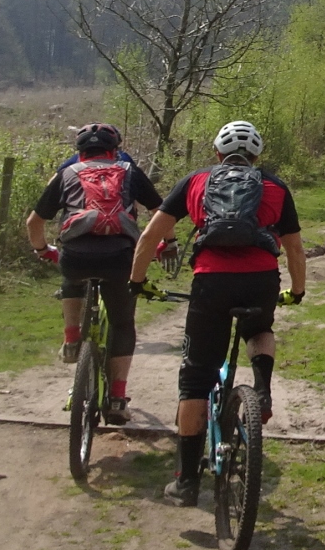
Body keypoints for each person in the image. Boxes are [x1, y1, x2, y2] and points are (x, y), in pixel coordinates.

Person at [130, 120, 307, 509]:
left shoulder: (195, 181)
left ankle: (186, 483)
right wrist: (297, 291)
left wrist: (137, 280)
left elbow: (150, 236)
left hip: (211, 281)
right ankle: (262, 390)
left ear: (217, 153)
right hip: (260, 279)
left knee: (195, 379)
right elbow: (295, 248)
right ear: (256, 156)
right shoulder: (275, 186)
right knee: (258, 329)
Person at [26, 123, 164, 425]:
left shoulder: (67, 173)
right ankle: (117, 398)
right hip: (120, 258)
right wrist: (163, 243)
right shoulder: (129, 170)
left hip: (77, 258)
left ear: (79, 152)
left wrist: (43, 250)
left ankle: (71, 338)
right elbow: (161, 212)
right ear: (115, 150)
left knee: (70, 271)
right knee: (122, 324)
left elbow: (33, 223)